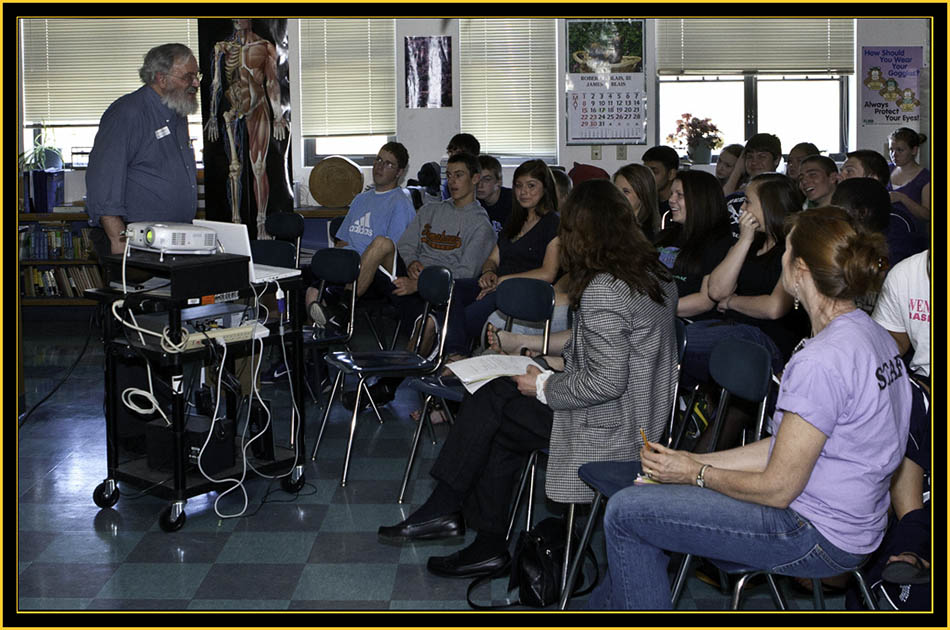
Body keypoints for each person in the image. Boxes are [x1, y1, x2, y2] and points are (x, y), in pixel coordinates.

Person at [588, 207, 912, 610]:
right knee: (646, 512)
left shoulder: (822, 360)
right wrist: (690, 461)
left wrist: (697, 474)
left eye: (785, 250)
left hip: (814, 533)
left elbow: (778, 488)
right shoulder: (871, 334)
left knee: (625, 513)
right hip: (857, 524)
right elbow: (789, 446)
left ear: (799, 270)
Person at [377, 179, 678, 581]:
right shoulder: (654, 274)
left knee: (496, 402)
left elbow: (605, 381)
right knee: (500, 418)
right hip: (639, 419)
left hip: (609, 427)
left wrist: (542, 385)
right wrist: (532, 357)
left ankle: (451, 511)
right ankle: (476, 537)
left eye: (567, 229)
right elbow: (608, 353)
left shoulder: (606, 288)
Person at [347, 152, 495, 409]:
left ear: (475, 178)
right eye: (449, 176)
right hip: (410, 279)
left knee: (427, 324)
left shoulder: (481, 225)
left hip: (439, 293)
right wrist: (413, 261)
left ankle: (387, 387)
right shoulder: (431, 209)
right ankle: (344, 308)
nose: (453, 181)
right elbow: (405, 245)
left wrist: (421, 283)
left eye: (459, 175)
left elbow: (464, 273)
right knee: (382, 243)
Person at [689, 173, 805, 394]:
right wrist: (744, 240)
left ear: (770, 205)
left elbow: (774, 307)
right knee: (675, 342)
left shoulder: (792, 247)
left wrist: (732, 301)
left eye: (748, 201)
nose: (742, 208)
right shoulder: (748, 242)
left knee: (673, 343)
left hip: (768, 339)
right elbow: (716, 291)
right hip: (733, 331)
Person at [85, 43, 199, 260]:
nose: (195, 83)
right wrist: (118, 240)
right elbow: (103, 180)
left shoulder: (177, 113)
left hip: (172, 239)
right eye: (188, 76)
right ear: (161, 78)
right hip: (134, 240)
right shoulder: (128, 113)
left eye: (196, 75)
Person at [448, 159, 561, 358]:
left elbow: (548, 273)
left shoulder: (553, 222)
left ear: (545, 189)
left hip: (523, 291)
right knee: (453, 288)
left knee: (466, 317)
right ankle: (456, 354)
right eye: (518, 186)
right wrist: (489, 272)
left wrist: (502, 282)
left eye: (531, 186)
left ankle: (459, 355)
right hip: (497, 285)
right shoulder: (514, 220)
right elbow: (493, 258)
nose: (523, 192)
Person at [306, 142, 416, 326]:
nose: (380, 166)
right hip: (349, 268)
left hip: (377, 275)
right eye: (378, 160)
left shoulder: (400, 203)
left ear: (399, 172)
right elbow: (342, 241)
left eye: (388, 164)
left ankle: (344, 308)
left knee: (381, 242)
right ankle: (320, 345)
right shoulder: (360, 199)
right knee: (312, 292)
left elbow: (393, 249)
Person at [205, 19, 290, 238]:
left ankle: (261, 224)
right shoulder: (221, 47)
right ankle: (234, 226)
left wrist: (278, 117)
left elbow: (271, 82)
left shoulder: (264, 47)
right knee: (234, 168)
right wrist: (213, 116)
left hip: (257, 107)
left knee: (258, 167)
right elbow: (215, 84)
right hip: (232, 108)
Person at [653, 170, 735, 321]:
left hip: (686, 322)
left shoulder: (719, 243)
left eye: (679, 195)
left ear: (700, 200)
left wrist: (651, 311)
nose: (671, 200)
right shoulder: (667, 235)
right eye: (672, 194)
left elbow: (704, 301)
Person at [832, 177, 922, 268]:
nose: (833, 215)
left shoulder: (896, 253)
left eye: (837, 210)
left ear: (862, 212)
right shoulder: (855, 239)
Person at [722, 133, 783, 236]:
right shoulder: (737, 193)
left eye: (761, 156)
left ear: (776, 160)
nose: (754, 162)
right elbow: (720, 203)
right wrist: (737, 170)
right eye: (749, 157)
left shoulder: (782, 193)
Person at [886, 127, 930, 231]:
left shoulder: (925, 177)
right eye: (891, 150)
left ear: (914, 150)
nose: (894, 155)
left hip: (912, 235)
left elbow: (927, 215)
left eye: (900, 150)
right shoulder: (886, 169)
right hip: (885, 233)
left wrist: (903, 198)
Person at [613, 163, 662, 240]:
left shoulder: (644, 235)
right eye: (615, 190)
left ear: (643, 194)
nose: (617, 196)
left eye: (626, 191)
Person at [475, 154, 513, 234]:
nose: (480, 185)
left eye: (487, 179)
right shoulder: (474, 202)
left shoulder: (513, 202)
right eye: (477, 179)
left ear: (499, 181)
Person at [642, 145, 679, 220]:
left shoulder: (679, 206)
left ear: (671, 174)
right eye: (646, 172)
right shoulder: (647, 204)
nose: (648, 177)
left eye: (654, 172)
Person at [441, 133, 481, 199]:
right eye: (450, 152)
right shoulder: (448, 184)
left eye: (458, 154)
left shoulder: (482, 184)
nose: (452, 157)